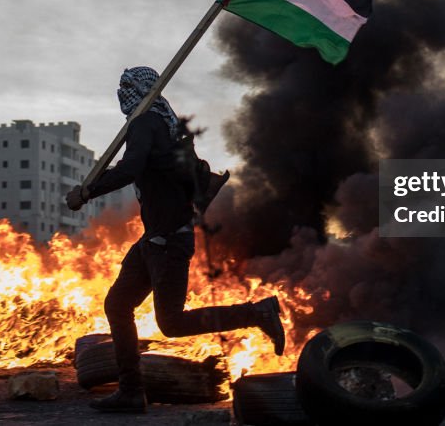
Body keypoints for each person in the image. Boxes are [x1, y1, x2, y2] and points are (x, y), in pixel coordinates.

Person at [65, 66, 285, 414]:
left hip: (167, 241)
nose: (121, 95)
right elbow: (149, 171)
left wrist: (87, 191)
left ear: (137, 92)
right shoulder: (168, 128)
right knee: (118, 305)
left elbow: (130, 169)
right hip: (156, 238)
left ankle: (257, 312)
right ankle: (132, 392)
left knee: (171, 323)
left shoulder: (144, 124)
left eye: (125, 88)